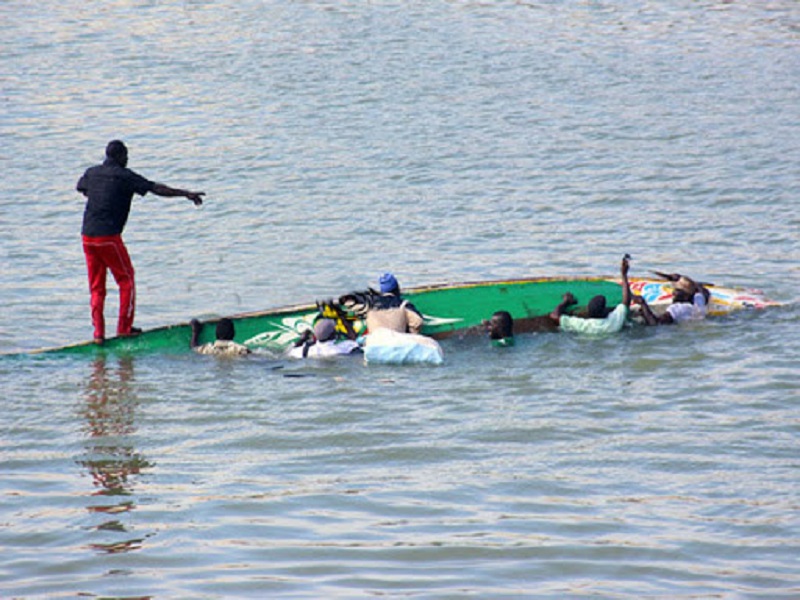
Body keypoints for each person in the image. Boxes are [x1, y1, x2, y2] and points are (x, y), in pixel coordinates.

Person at [77, 140, 205, 343]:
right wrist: (186, 194)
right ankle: (124, 329)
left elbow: (82, 188)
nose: (127, 159)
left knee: (96, 287)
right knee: (126, 280)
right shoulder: (125, 176)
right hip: (108, 238)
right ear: (120, 157)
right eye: (126, 156)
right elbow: (156, 189)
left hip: (87, 237)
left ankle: (98, 334)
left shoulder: (92, 172)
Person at [549, 255, 633, 335]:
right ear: (605, 312)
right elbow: (626, 302)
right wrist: (624, 275)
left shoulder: (583, 326)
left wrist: (565, 302)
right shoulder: (613, 322)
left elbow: (554, 316)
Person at [633, 274, 710, 325]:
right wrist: (680, 278)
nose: (673, 293)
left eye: (677, 290)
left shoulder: (678, 308)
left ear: (686, 296)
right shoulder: (698, 301)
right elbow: (702, 290)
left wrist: (643, 304)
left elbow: (655, 323)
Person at [287, 318, 361, 359]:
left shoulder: (305, 351)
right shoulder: (345, 346)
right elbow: (359, 345)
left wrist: (301, 340)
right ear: (333, 335)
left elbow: (288, 352)